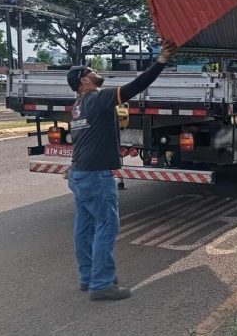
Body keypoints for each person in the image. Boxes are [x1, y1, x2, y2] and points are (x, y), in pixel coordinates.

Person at [65, 41, 180, 301]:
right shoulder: (98, 97)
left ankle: (87, 277)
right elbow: (136, 87)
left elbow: (81, 139)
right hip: (95, 176)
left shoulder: (77, 106)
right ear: (84, 81)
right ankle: (102, 284)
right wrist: (161, 60)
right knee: (106, 225)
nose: (96, 71)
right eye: (91, 70)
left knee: (84, 227)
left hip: (79, 173)